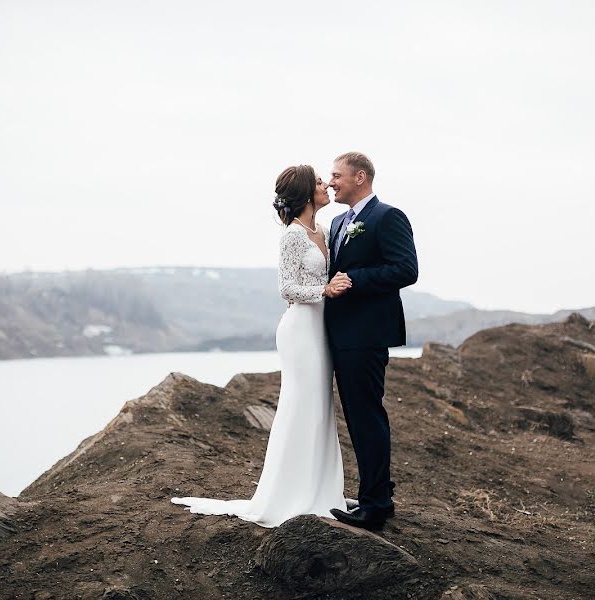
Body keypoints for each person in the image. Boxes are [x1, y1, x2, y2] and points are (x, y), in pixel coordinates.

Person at [171, 165, 353, 527]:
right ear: (305, 193)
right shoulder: (292, 236)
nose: (325, 185)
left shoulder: (325, 229)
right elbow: (287, 288)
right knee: (299, 405)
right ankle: (290, 492)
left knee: (319, 406)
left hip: (322, 329)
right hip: (301, 330)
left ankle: (320, 487)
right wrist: (325, 289)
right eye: (319, 182)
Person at [325, 152, 418, 531]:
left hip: (366, 334)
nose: (331, 182)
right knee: (359, 417)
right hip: (340, 334)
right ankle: (376, 493)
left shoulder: (387, 217)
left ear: (359, 177)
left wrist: (355, 279)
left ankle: (375, 505)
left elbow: (406, 269)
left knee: (367, 418)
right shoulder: (335, 222)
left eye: (336, 175)